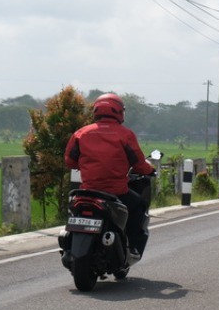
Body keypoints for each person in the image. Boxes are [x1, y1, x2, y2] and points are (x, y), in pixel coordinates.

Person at [64, 93, 155, 257]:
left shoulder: (81, 133)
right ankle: (133, 246)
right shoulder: (125, 135)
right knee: (139, 206)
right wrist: (150, 170)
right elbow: (139, 165)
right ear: (119, 112)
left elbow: (70, 161)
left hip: (88, 191)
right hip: (116, 191)